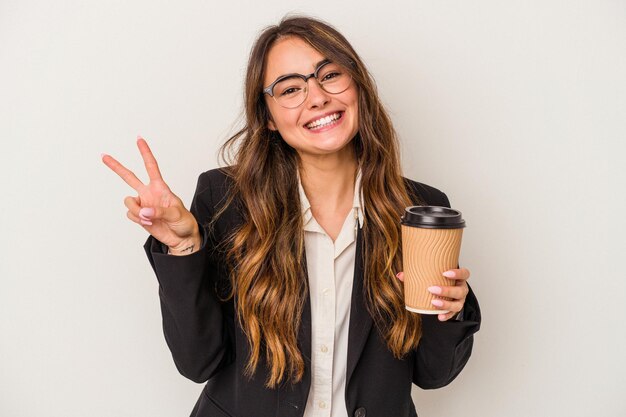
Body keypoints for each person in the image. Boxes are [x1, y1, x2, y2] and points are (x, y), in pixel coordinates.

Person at [102, 15, 480, 417]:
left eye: (329, 74)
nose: (316, 97)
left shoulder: (417, 208)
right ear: (267, 117)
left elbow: (433, 374)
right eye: (290, 89)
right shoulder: (225, 199)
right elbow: (198, 362)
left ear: (358, 87)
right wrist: (182, 247)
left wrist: (449, 311)